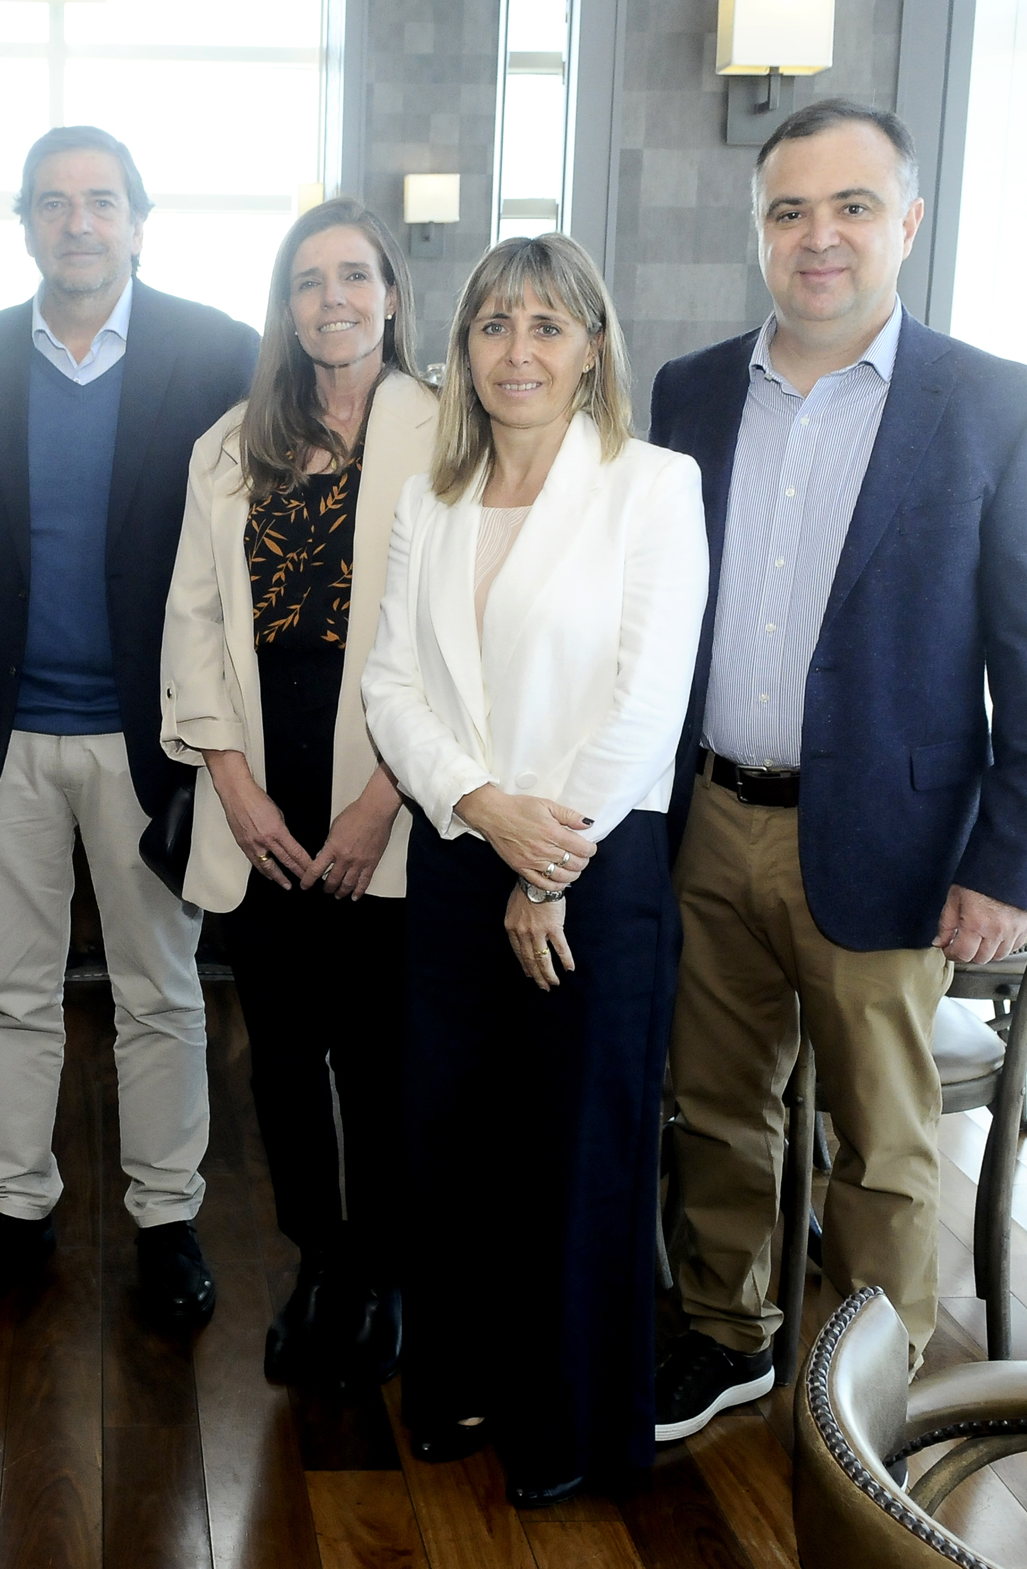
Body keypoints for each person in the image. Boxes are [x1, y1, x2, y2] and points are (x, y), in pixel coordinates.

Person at [647, 99, 1027, 1440]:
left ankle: (874, 1393)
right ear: (757, 235)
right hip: (710, 817)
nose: (817, 237)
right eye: (787, 211)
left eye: (848, 207)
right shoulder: (690, 392)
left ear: (905, 221)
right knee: (712, 1109)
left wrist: (1003, 865)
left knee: (885, 1147)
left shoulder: (996, 407)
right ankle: (723, 1335)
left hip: (891, 843)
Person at [360, 233, 707, 1503]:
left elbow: (645, 698)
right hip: (458, 857)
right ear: (461, 349)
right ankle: (457, 1385)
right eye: (494, 325)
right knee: (450, 1141)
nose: (517, 351)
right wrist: (480, 806)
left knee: (576, 1152)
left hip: (594, 872)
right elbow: (391, 681)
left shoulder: (650, 486)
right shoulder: (428, 499)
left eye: (547, 326)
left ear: (591, 348)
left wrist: (546, 859)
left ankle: (564, 1428)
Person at [0, 126, 259, 1328]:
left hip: (148, 738)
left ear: (135, 220)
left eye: (100, 202)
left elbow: (243, 562)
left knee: (159, 990)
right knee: (11, 991)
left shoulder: (221, 354)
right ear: (25, 224)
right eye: (54, 204)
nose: (78, 223)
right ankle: (13, 1210)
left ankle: (165, 1220)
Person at [159, 196, 433, 1385]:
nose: (334, 298)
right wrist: (233, 786)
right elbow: (193, 627)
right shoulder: (230, 445)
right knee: (280, 1050)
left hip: (393, 783)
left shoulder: (445, 430)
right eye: (309, 279)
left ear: (390, 295)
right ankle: (316, 1258)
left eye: (355, 275)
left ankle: (380, 1271)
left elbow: (459, 638)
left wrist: (382, 800)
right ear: (285, 305)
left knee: (378, 1053)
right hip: (259, 786)